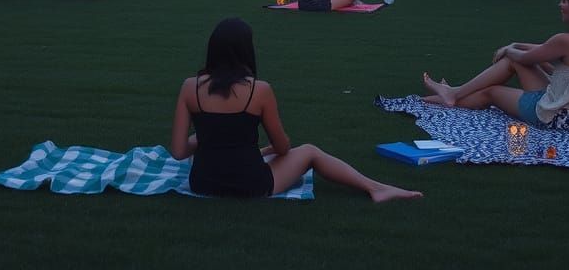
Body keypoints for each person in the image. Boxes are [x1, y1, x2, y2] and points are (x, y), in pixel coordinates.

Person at [170, 18, 421, 202]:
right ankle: (375, 188)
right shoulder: (259, 90)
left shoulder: (190, 87)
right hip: (251, 184)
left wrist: (209, 135)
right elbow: (283, 148)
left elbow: (179, 151)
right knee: (310, 151)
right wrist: (267, 149)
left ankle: (377, 189)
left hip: (202, 183)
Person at [421, 0, 569, 129]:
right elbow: (543, 51)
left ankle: (452, 95)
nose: (560, 5)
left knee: (492, 90)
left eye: (564, 1)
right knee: (521, 58)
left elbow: (526, 58)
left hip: (567, 119)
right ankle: (452, 94)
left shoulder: (565, 41)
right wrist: (515, 44)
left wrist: (508, 49)